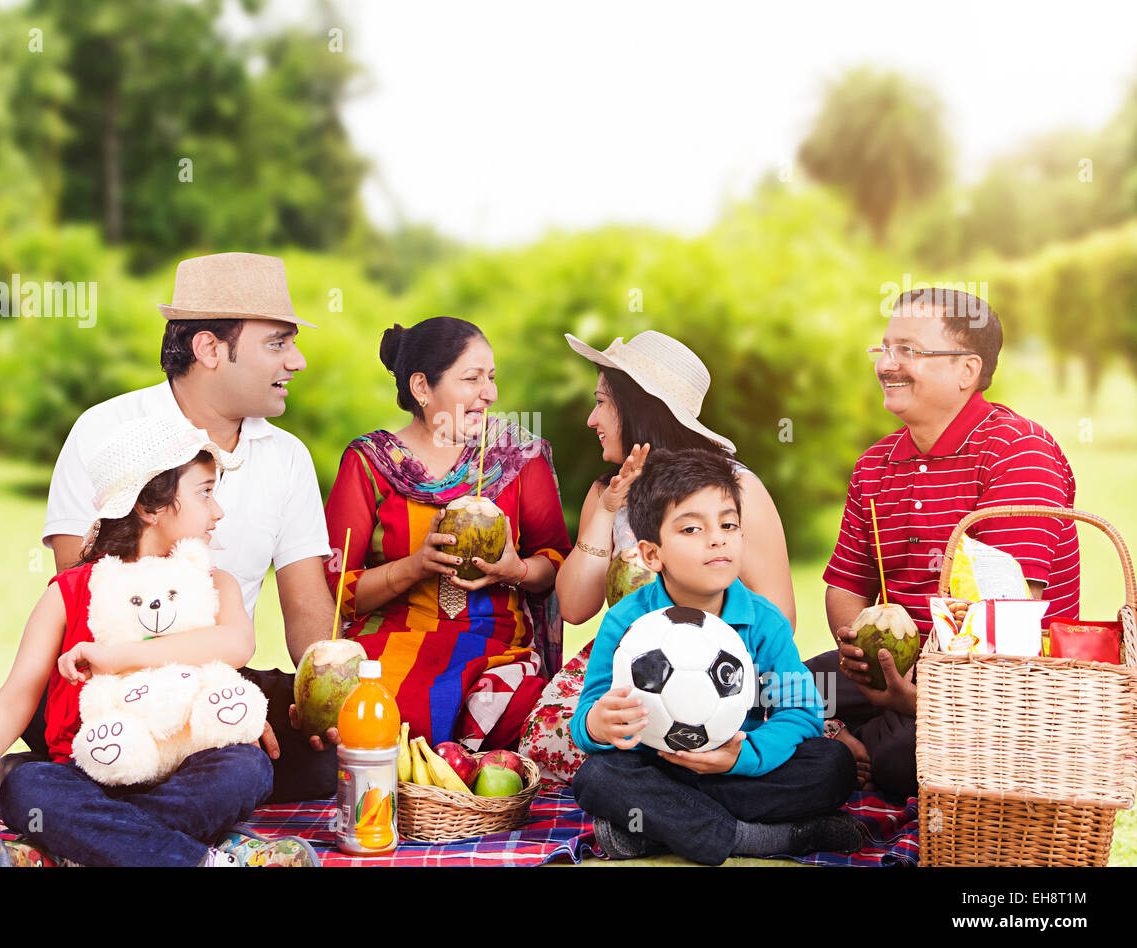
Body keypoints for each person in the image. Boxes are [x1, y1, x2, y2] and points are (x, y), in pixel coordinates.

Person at [0, 416, 318, 866]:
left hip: (189, 767)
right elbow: (19, 691)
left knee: (247, 767)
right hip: (96, 764)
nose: (217, 511)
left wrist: (115, 657)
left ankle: (80, 847)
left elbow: (237, 644)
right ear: (149, 507)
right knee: (26, 787)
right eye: (204, 492)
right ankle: (202, 859)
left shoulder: (216, 583)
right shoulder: (69, 592)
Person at [39, 252, 338, 801]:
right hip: (107, 682)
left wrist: (324, 701)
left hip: (219, 674)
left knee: (327, 766)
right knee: (137, 755)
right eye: (277, 342)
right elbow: (86, 603)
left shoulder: (288, 456)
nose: (296, 361)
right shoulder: (105, 431)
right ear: (209, 349)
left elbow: (305, 606)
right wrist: (194, 704)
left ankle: (115, 813)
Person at [806, 288, 1081, 799]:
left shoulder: (1019, 452)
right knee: (773, 690)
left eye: (908, 350)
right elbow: (846, 585)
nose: (887, 364)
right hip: (896, 672)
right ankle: (839, 749)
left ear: (966, 371)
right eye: (883, 348)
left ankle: (843, 759)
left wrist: (918, 699)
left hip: (997, 690)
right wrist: (864, 659)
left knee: (895, 757)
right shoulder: (874, 465)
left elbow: (1010, 620)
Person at [521, 330, 795, 784]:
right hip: (627, 663)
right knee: (549, 737)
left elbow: (780, 616)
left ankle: (671, 787)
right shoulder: (606, 494)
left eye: (603, 402)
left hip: (726, 662)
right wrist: (606, 511)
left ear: (639, 408)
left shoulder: (737, 489)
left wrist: (699, 674)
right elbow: (573, 608)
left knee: (793, 740)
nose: (592, 418)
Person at [570, 449, 861, 864]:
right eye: (691, 529)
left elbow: (801, 713)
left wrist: (743, 756)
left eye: (728, 524)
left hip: (738, 771)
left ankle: (660, 832)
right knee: (597, 778)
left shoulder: (764, 621)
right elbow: (587, 718)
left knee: (833, 765)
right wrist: (598, 725)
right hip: (658, 769)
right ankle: (765, 838)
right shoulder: (625, 622)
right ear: (652, 555)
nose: (717, 538)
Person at [323, 316, 572, 749]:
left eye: (491, 378)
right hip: (394, 645)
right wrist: (415, 566)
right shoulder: (370, 463)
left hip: (497, 651)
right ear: (422, 387)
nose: (490, 394)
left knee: (537, 719)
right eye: (472, 378)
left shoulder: (517, 459)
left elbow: (557, 564)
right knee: (384, 718)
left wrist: (515, 569)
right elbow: (337, 587)